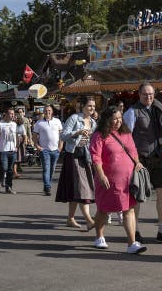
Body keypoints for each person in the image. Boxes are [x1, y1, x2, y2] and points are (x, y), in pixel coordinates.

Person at [123, 82, 162, 244]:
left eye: (151, 94)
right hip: (139, 159)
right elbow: (126, 139)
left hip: (157, 157)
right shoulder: (132, 112)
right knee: (137, 196)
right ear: (139, 95)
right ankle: (135, 230)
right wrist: (134, 160)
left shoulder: (158, 109)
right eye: (145, 94)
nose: (149, 97)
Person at [89, 105, 147, 254]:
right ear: (106, 120)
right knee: (103, 210)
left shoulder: (126, 133)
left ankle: (132, 243)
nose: (117, 122)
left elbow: (133, 150)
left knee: (128, 209)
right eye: (114, 119)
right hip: (108, 180)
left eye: (120, 119)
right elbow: (96, 158)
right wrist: (101, 175)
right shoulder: (99, 135)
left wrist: (137, 162)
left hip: (128, 179)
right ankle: (99, 236)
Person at [56, 97, 97, 229]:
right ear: (82, 106)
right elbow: (63, 136)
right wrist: (77, 132)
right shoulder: (74, 118)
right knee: (82, 188)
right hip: (73, 155)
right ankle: (89, 220)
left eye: (94, 106)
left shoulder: (93, 122)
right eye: (90, 106)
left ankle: (70, 218)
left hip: (85, 157)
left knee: (77, 189)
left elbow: (95, 141)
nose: (92, 108)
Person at [33, 105, 63, 195]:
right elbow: (34, 135)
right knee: (46, 169)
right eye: (46, 110)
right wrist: (37, 146)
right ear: (43, 112)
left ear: (52, 111)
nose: (47, 112)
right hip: (44, 150)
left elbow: (61, 135)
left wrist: (60, 146)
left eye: (49, 110)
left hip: (55, 150)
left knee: (52, 169)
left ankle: (47, 185)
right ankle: (47, 187)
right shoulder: (39, 123)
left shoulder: (57, 121)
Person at [0, 108, 19, 194]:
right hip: (3, 150)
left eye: (13, 114)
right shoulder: (0, 124)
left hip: (12, 150)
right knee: (4, 168)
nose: (12, 115)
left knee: (10, 170)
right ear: (6, 115)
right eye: (11, 114)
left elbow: (16, 136)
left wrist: (16, 146)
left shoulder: (14, 124)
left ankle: (9, 187)